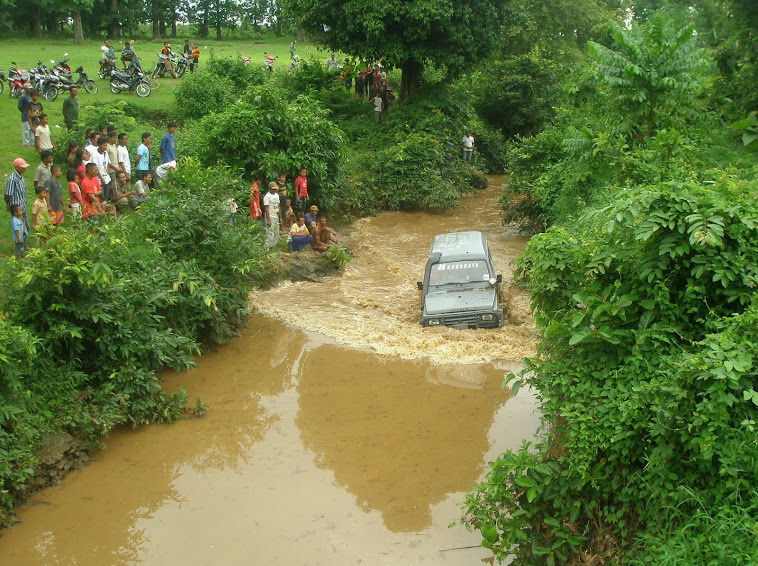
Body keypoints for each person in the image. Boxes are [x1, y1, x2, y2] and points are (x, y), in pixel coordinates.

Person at [5, 158, 30, 234]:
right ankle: (20, 244)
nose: (24, 168)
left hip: (22, 206)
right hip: (16, 208)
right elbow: (7, 194)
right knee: (19, 229)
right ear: (16, 167)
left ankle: (24, 243)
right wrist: (8, 205)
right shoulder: (12, 179)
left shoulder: (20, 177)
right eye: (22, 167)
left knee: (25, 227)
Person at [91, 136, 112, 201]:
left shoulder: (106, 154)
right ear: (99, 145)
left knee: (106, 195)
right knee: (101, 196)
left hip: (106, 177)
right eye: (104, 145)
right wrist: (101, 178)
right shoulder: (95, 155)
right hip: (99, 179)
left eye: (106, 146)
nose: (105, 147)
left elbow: (108, 163)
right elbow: (96, 168)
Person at [263, 181, 280, 249]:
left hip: (276, 216)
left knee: (276, 233)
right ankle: (267, 248)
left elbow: (278, 206)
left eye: (275, 189)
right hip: (270, 216)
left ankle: (272, 247)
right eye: (273, 189)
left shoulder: (276, 195)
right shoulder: (267, 196)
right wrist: (268, 220)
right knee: (270, 233)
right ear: (269, 188)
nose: (274, 190)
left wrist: (280, 216)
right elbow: (266, 208)